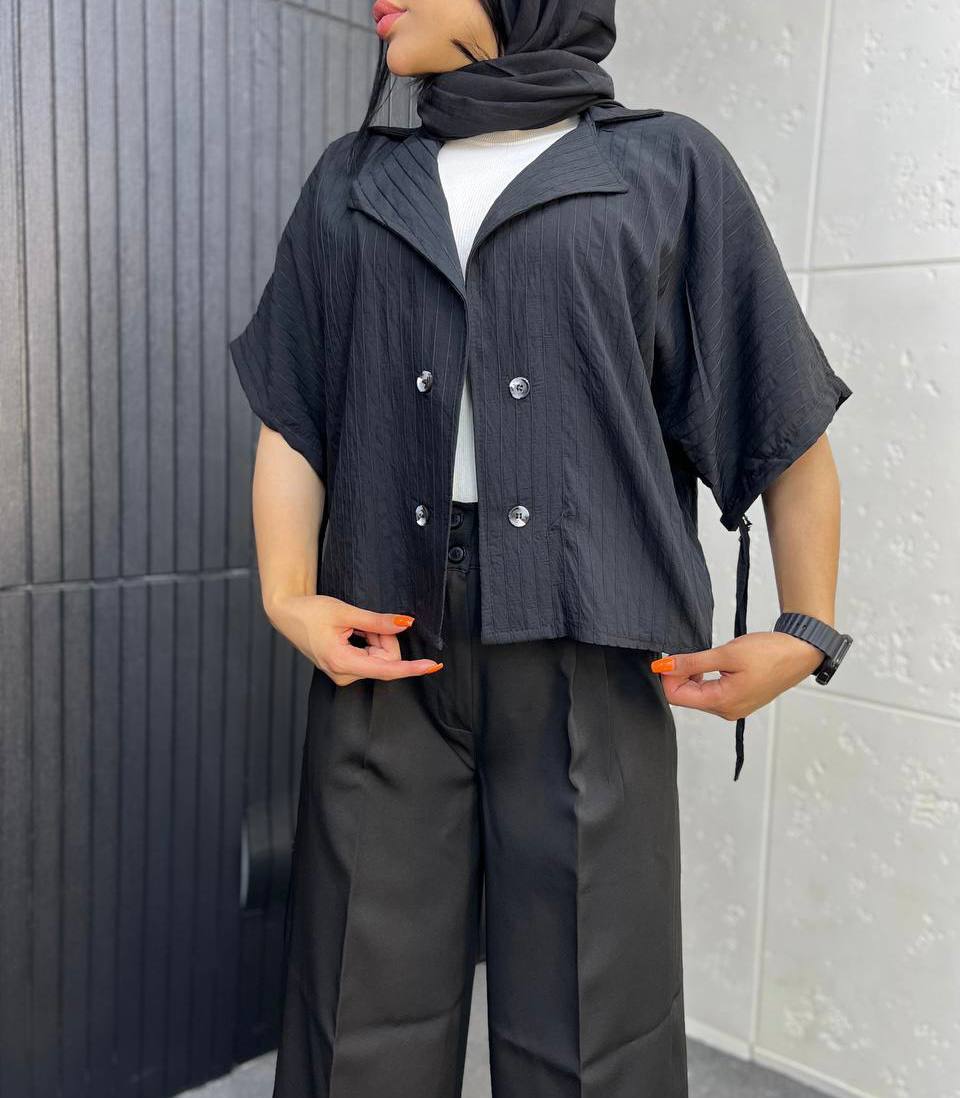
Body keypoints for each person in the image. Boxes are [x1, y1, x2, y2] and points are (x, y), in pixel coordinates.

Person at [227, 2, 854, 1095]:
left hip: (591, 651)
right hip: (387, 646)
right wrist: (288, 593)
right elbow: (294, 408)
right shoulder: (352, 181)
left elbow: (779, 406)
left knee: (593, 1025)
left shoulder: (666, 168)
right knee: (354, 1009)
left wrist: (807, 627)